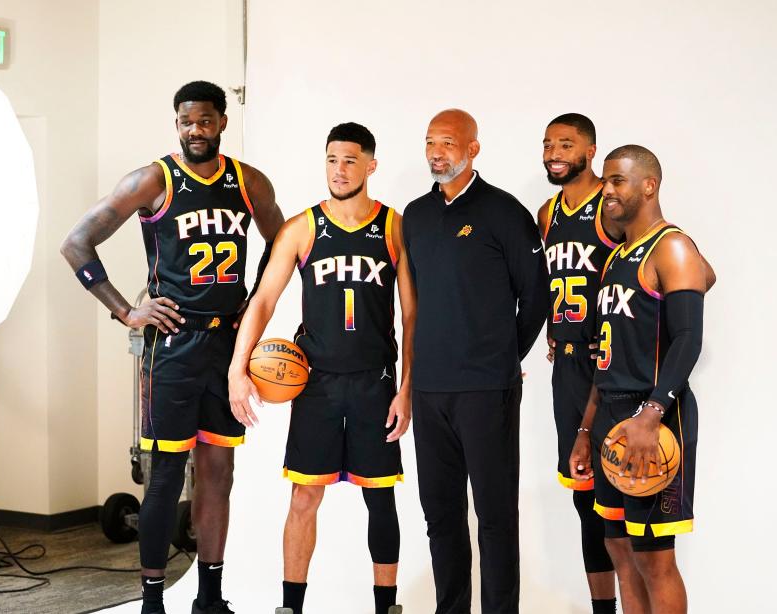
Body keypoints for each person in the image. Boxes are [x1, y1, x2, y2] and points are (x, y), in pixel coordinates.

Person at [60, 81, 284, 614]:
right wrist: (126, 310)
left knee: (218, 473)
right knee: (164, 474)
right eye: (186, 122)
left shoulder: (248, 182)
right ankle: (153, 601)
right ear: (176, 123)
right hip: (174, 346)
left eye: (205, 121)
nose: (195, 131)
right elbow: (75, 243)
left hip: (228, 346)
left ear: (223, 122)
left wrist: (253, 309)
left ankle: (209, 597)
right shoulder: (152, 180)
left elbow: (283, 246)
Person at [227, 122, 414, 614]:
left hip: (376, 382)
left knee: (381, 498)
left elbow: (412, 314)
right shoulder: (303, 227)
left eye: (350, 160)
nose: (339, 169)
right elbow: (264, 299)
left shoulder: (393, 227)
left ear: (371, 166)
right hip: (317, 386)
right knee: (304, 497)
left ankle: (386, 607)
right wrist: (236, 369)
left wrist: (407, 389)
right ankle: (290, 606)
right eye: (332, 159)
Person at [402, 109, 549, 613]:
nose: (437, 152)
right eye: (430, 143)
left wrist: (506, 355)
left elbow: (536, 296)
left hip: (488, 389)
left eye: (447, 142)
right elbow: (414, 304)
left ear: (473, 148)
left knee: (494, 515)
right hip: (430, 389)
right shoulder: (416, 216)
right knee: (440, 514)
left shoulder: (504, 212)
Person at [570, 145, 711, 614]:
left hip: (655, 414)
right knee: (621, 553)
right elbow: (604, 357)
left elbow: (688, 339)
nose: (606, 190)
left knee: (654, 559)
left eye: (617, 181)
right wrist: (586, 430)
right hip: (611, 413)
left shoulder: (670, 246)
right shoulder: (617, 258)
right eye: (605, 181)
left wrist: (652, 413)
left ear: (648, 185)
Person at [537, 113, 623, 614]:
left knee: (621, 496)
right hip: (567, 367)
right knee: (584, 495)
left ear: (590, 150)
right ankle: (602, 609)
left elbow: (651, 261)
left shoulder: (611, 207)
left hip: (610, 366)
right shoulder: (547, 213)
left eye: (565, 144)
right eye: (548, 144)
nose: (553, 153)